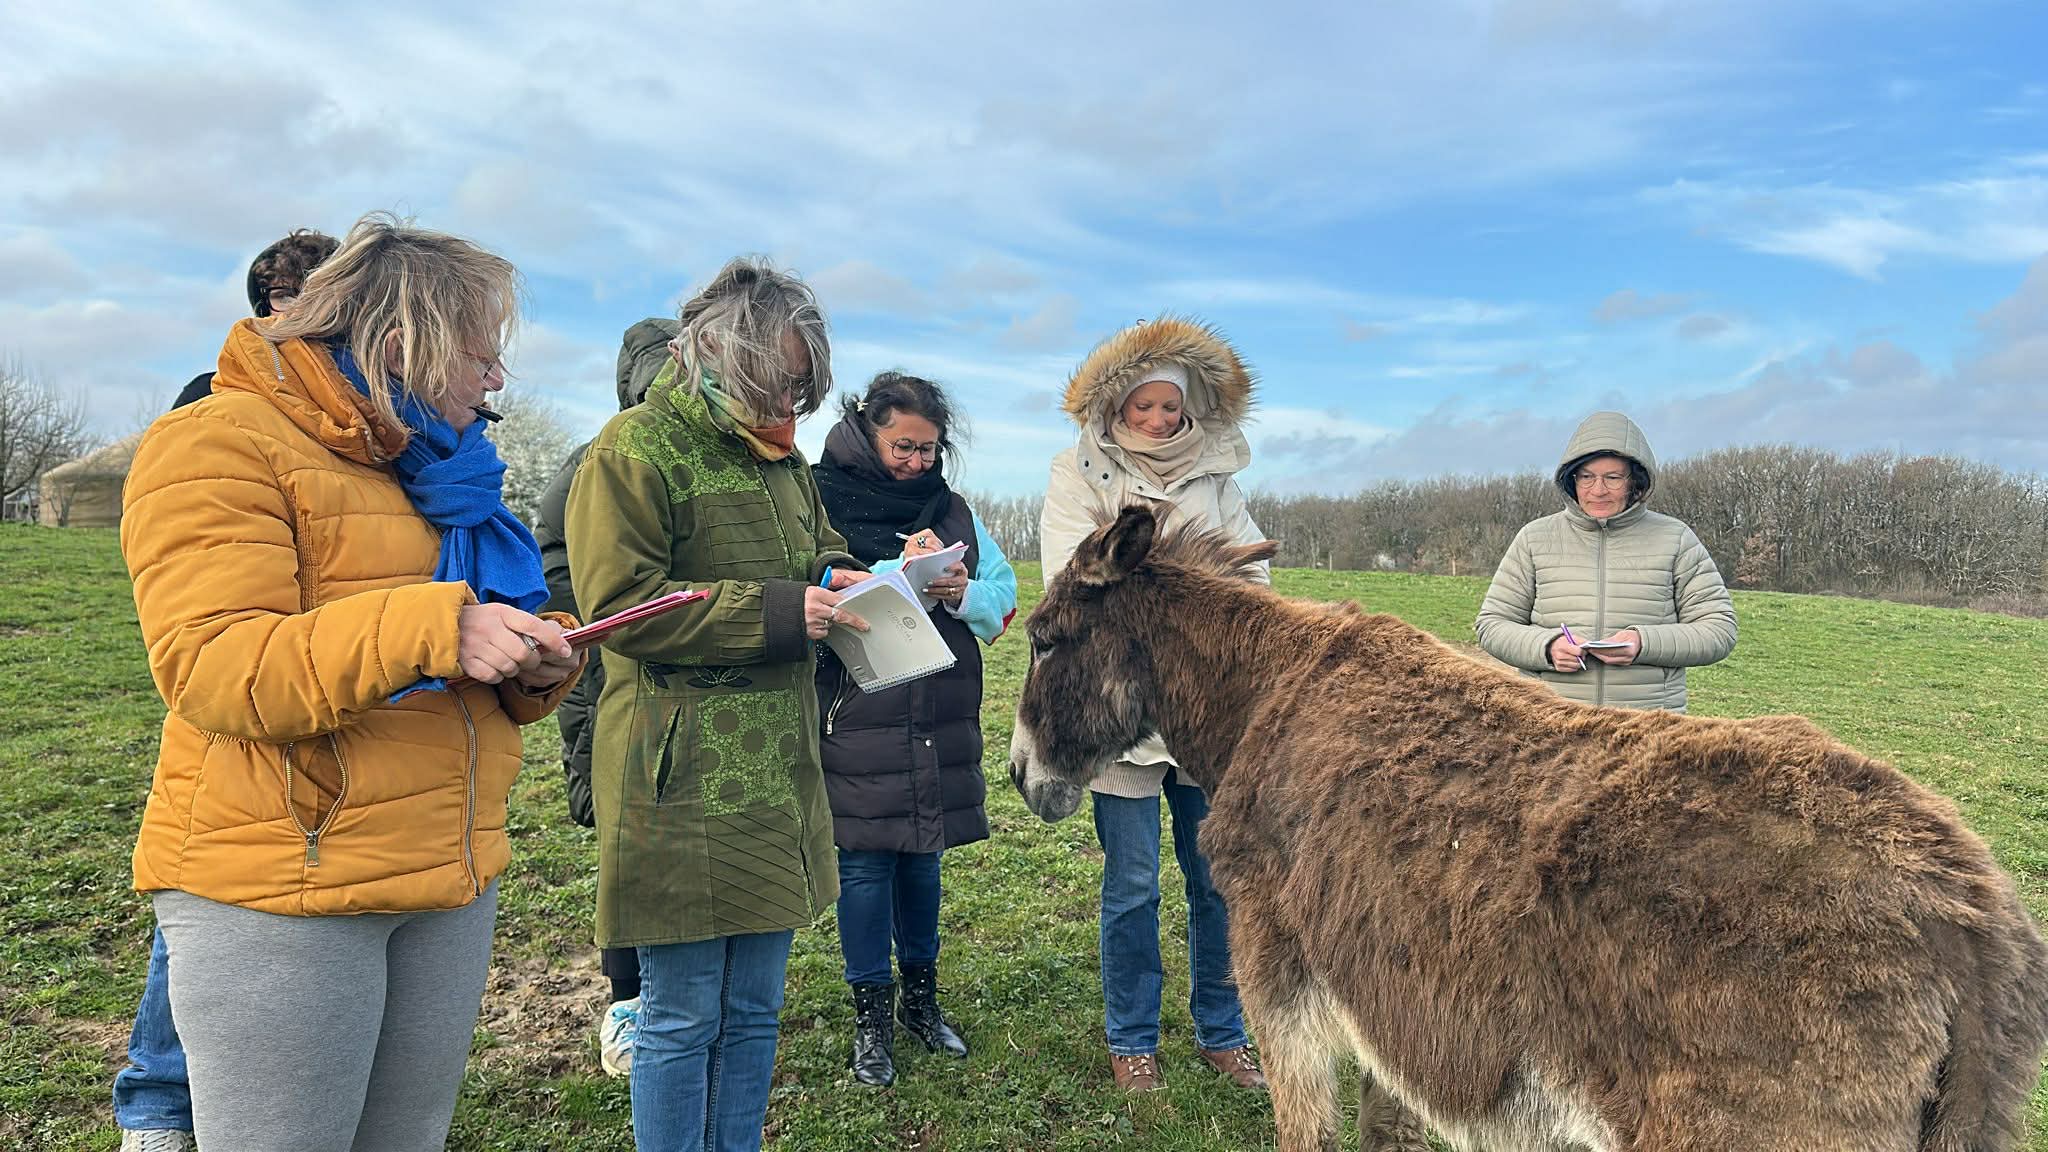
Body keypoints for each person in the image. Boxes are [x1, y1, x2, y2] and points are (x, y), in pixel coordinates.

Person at [119, 212, 581, 1152]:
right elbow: (216, 667)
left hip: (445, 870)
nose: (496, 379)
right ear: (403, 341)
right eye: (482, 353)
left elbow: (466, 659)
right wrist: (438, 626)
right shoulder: (217, 442)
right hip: (285, 883)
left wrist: (538, 661)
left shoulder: (447, 471)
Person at [567, 258, 861, 1152]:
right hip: (679, 778)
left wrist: (847, 577)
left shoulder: (782, 460)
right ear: (712, 357)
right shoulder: (633, 450)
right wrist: (781, 611)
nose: (789, 411)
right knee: (681, 1014)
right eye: (774, 387)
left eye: (802, 391)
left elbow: (813, 549)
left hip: (775, 767)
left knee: (755, 1011)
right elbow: (617, 608)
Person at [117, 225, 336, 1152]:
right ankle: (158, 1104)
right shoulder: (211, 411)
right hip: (239, 706)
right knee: (206, 917)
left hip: (327, 703)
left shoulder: (360, 422)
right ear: (271, 306)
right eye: (305, 300)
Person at [1038, 315, 1269, 1094]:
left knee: (1216, 882)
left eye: (1172, 408)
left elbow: (1252, 583)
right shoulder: (1077, 476)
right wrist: (1186, 585)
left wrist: (1179, 583)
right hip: (1120, 714)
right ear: (1115, 411)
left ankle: (1224, 1030)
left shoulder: (1219, 481)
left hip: (1204, 717)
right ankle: (1132, 1038)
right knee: (1131, 885)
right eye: (1146, 408)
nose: (1161, 420)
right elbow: (1077, 580)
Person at [811, 372, 1018, 1087]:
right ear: (868, 431)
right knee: (866, 863)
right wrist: (890, 575)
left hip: (936, 707)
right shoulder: (817, 497)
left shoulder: (953, 509)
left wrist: (961, 590)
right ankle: (871, 1015)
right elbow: (803, 585)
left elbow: (1005, 593)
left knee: (924, 856)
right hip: (858, 707)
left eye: (930, 450)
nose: (917, 463)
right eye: (904, 446)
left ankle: (922, 1004)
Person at [532, 316, 678, 1077]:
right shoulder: (596, 464)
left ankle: (675, 998)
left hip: (673, 689)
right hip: (605, 683)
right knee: (627, 851)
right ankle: (627, 1003)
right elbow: (561, 577)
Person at [1475, 410, 1737, 710]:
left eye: (1612, 477)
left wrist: (1643, 643)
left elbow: (1719, 630)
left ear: (1634, 481)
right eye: (1586, 477)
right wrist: (1547, 648)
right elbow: (1492, 625)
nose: (1597, 490)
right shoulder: (1535, 538)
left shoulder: (1676, 538)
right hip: (1550, 730)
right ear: (1571, 480)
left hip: (1650, 731)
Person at [170, 229, 339, 410]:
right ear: (264, 308)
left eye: (315, 296)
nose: (298, 310)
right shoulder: (208, 393)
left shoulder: (368, 396)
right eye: (284, 297)